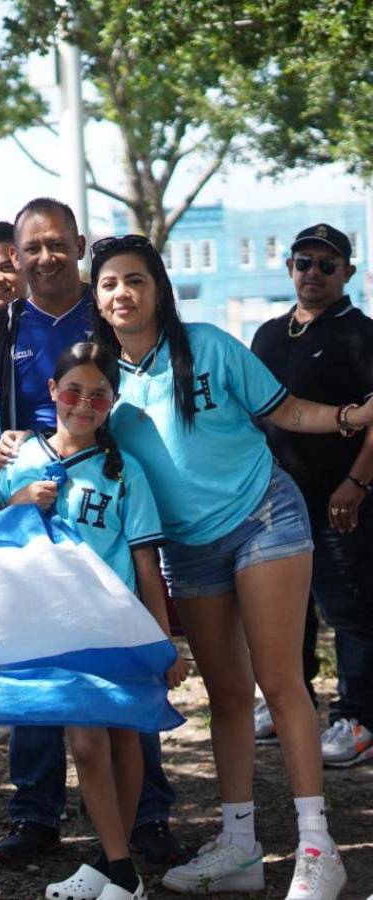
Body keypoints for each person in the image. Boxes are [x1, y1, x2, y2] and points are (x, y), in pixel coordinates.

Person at [79, 233, 373, 899]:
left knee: (279, 679)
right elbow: (75, 441)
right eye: (109, 284)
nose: (122, 293)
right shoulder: (101, 376)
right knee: (228, 695)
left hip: (263, 516)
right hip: (187, 547)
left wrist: (353, 416)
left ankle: (318, 850)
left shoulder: (207, 345)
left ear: (158, 289)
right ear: (96, 299)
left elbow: (287, 411)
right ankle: (239, 847)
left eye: (135, 280)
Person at [0, 198, 182, 869]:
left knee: (123, 685)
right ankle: (36, 814)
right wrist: (2, 464)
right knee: (42, 680)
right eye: (30, 247)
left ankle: (145, 818)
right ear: (17, 253)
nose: (44, 257)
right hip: (37, 510)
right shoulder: (1, 325)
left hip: (109, 487)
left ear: (79, 245)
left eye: (57, 244)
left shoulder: (105, 312)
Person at [0, 342, 187, 900]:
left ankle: (114, 864)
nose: (84, 404)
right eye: (73, 391)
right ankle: (121, 870)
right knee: (85, 739)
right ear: (53, 393)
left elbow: (148, 566)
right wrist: (19, 501)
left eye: (98, 395)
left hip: (117, 624)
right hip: (53, 625)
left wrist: (164, 641)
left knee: (120, 739)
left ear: (113, 401)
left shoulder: (124, 470)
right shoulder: (21, 460)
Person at [250, 224, 373, 768]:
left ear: (348, 272)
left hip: (342, 500)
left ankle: (358, 718)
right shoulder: (269, 336)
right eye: (305, 263)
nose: (314, 274)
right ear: (289, 268)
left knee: (349, 608)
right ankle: (288, 704)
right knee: (286, 609)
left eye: (328, 264)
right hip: (278, 500)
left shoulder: (363, 335)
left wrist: (357, 483)